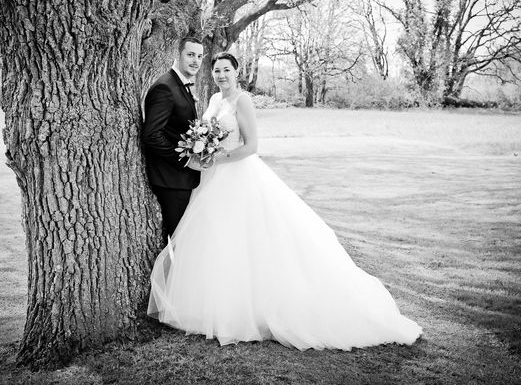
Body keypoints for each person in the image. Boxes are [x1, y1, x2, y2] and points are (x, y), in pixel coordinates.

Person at [147, 52, 422, 351]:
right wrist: (203, 154)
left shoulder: (243, 101)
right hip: (210, 180)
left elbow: (251, 146)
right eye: (216, 70)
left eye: (226, 70)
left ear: (237, 72)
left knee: (248, 241)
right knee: (217, 240)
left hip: (236, 175)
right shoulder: (213, 101)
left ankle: (251, 309)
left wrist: (217, 158)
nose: (221, 75)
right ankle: (212, 304)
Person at [143, 36, 204, 242]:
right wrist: (187, 160)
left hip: (181, 180)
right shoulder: (165, 87)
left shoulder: (179, 85)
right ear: (177, 55)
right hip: (171, 181)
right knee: (179, 242)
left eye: (199, 56)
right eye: (190, 55)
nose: (195, 60)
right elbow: (152, 135)